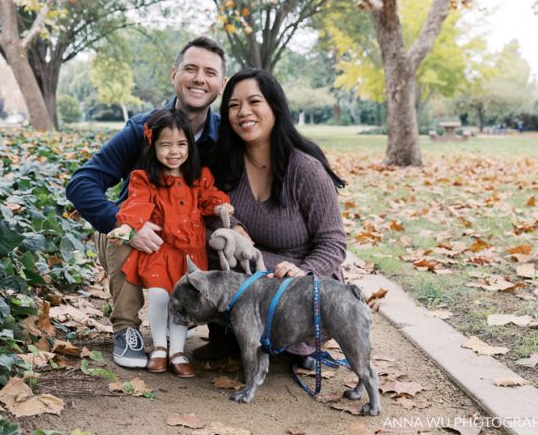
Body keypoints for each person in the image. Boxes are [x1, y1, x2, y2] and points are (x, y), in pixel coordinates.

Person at [65, 37, 226, 368]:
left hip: (189, 233)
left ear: (221, 84)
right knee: (126, 235)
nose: (199, 79)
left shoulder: (225, 139)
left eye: (210, 72)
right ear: (174, 74)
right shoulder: (143, 128)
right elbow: (81, 183)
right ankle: (126, 330)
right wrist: (122, 222)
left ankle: (219, 331)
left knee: (223, 241)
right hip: (140, 231)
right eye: (191, 69)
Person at [200, 67, 347, 363]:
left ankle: (296, 343)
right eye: (233, 105)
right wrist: (233, 227)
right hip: (250, 266)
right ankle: (227, 335)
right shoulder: (222, 163)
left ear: (275, 107)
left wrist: (302, 271)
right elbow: (206, 208)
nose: (244, 112)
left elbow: (333, 243)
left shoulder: (305, 169)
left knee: (284, 285)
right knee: (208, 245)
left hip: (298, 274)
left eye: (254, 102)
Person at [108, 109, 232, 377]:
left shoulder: (198, 177)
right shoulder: (145, 179)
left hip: (190, 254)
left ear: (190, 146)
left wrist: (220, 205)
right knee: (159, 295)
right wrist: (130, 225)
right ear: (153, 146)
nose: (174, 151)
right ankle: (159, 347)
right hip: (160, 252)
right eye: (165, 145)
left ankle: (177, 351)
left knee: (182, 300)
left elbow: (209, 197)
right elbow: (137, 204)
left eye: (181, 144)